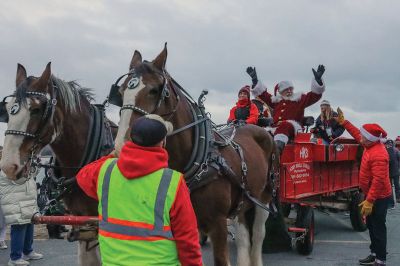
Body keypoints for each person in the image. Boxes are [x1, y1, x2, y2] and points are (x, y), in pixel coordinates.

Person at [76, 114, 203, 266]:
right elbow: (187, 239)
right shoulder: (172, 182)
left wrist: (113, 155)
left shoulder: (106, 171)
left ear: (131, 138)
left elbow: (82, 175)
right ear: (163, 142)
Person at [335, 108, 391, 266]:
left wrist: (370, 201)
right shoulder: (369, 144)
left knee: (378, 227)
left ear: (371, 139)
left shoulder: (379, 154)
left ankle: (381, 260)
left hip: (378, 197)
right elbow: (356, 133)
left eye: (364, 137)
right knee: (371, 226)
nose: (361, 139)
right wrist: (344, 122)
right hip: (370, 195)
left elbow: (379, 181)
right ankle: (374, 253)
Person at [246, 65, 326, 153]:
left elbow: (314, 96)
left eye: (291, 89)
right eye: (286, 89)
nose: (289, 91)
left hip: (293, 127)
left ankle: (277, 151)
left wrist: (318, 80)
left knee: (285, 125)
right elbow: (263, 94)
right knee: (264, 133)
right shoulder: (276, 101)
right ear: (280, 92)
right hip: (276, 127)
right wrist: (255, 80)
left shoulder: (299, 99)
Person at [0, 149, 43, 266]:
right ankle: (14, 258)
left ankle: (28, 251)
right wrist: (28, 163)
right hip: (16, 204)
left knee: (29, 226)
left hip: (26, 203)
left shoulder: (22, 166)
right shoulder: (7, 168)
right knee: (19, 228)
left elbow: (32, 174)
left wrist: (36, 162)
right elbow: (20, 179)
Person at [385, 139, 400, 206]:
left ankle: (391, 202)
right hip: (396, 171)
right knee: (397, 186)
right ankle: (398, 198)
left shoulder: (385, 151)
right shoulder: (396, 150)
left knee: (389, 187)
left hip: (388, 172)